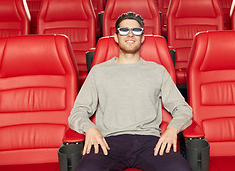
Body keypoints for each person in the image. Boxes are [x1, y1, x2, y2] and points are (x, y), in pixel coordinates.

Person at [68, 12, 193, 171]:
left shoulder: (157, 71)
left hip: (150, 142)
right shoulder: (98, 72)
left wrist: (172, 129)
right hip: (108, 143)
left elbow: (183, 109)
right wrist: (89, 129)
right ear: (116, 37)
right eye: (124, 30)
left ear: (142, 37)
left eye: (136, 30)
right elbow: (77, 113)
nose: (130, 34)